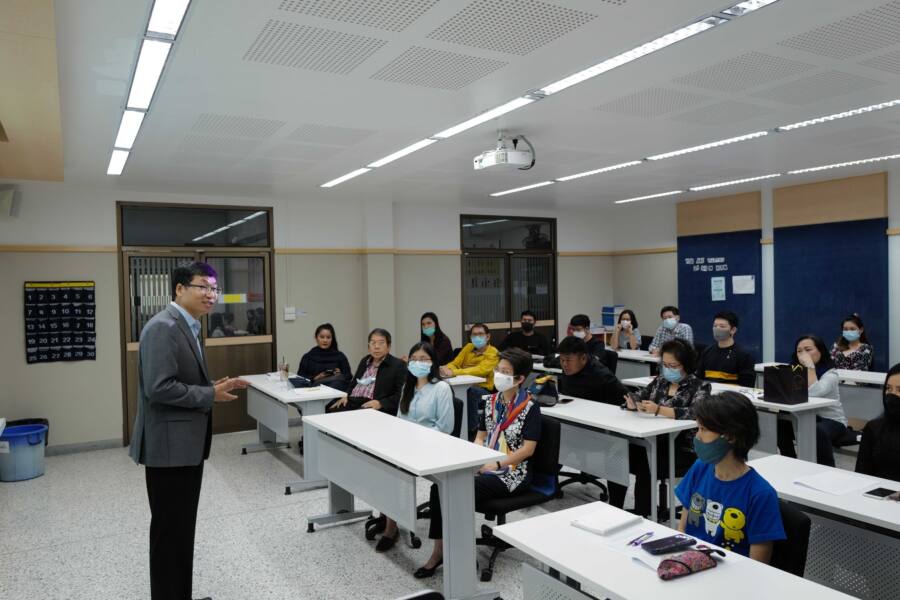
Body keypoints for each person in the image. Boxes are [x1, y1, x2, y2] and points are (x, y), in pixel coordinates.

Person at [128, 262, 248, 600]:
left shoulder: (188, 325)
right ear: (179, 289)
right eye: (203, 287)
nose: (211, 294)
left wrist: (211, 386)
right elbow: (159, 388)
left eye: (215, 288)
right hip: (169, 449)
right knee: (170, 534)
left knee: (181, 531)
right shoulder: (163, 327)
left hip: (184, 446)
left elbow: (179, 380)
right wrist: (209, 395)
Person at [415, 348, 541, 578]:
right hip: (485, 464)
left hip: (513, 472)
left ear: (520, 379)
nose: (499, 375)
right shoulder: (490, 401)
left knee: (460, 489)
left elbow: (527, 449)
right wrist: (475, 459)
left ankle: (462, 553)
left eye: (505, 372)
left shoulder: (530, 407)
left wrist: (497, 464)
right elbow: (481, 437)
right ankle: (440, 550)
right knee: (438, 486)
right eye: (498, 370)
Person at [676, 392, 785, 562]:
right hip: (692, 564)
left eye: (703, 429)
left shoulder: (760, 494)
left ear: (730, 436)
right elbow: (683, 531)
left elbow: (758, 566)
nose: (697, 436)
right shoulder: (700, 468)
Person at [608, 340, 710, 517]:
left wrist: (659, 410)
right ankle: (614, 510)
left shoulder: (700, 386)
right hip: (651, 440)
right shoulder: (660, 381)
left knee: (645, 463)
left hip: (680, 447)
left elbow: (696, 413)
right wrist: (633, 403)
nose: (668, 369)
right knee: (618, 455)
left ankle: (642, 514)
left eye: (673, 366)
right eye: (665, 365)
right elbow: (640, 395)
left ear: (686, 364)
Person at [376, 342, 455, 552]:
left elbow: (445, 428)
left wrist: (417, 442)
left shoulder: (441, 388)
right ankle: (390, 520)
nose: (418, 363)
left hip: (433, 447)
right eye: (414, 359)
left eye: (423, 359)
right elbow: (399, 420)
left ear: (433, 362)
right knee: (382, 463)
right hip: (408, 446)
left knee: (393, 467)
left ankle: (391, 525)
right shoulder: (407, 386)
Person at [776, 335, 848, 466]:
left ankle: (827, 469)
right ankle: (791, 461)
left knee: (816, 431)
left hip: (831, 420)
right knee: (778, 422)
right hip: (801, 417)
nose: (803, 354)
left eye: (808, 350)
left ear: (820, 351)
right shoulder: (794, 370)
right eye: (799, 351)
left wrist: (810, 367)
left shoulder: (830, 374)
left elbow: (814, 393)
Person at [440, 323, 499, 440]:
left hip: (484, 390)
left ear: (488, 337)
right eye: (474, 334)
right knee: (445, 389)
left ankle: (471, 431)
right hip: (463, 384)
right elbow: (455, 363)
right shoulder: (468, 347)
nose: (477, 337)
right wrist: (447, 368)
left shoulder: (493, 353)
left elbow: (481, 370)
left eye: (480, 334)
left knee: (470, 392)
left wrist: (454, 372)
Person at [327, 328, 405, 414]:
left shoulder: (398, 365)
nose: (376, 347)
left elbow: (401, 394)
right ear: (368, 347)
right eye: (373, 343)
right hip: (353, 400)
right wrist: (346, 395)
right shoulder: (365, 360)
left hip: (373, 403)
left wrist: (381, 403)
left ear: (389, 346)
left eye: (381, 343)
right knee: (330, 410)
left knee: (354, 417)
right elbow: (353, 383)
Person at [855, 363, 900, 482]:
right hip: (879, 492)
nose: (892, 394)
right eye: (888, 388)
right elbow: (861, 475)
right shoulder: (873, 428)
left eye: (899, 389)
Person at [556, 336, 627, 404]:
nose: (564, 364)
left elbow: (627, 398)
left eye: (568, 360)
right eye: (562, 360)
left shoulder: (602, 375)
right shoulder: (567, 366)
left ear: (583, 358)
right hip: (570, 408)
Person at [695, 311, 755, 388]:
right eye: (715, 326)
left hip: (732, 394)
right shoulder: (707, 351)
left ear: (733, 330)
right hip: (709, 393)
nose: (717, 329)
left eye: (722, 326)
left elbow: (747, 386)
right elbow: (699, 379)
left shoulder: (744, 355)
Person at [297, 323, 352, 392]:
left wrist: (340, 374)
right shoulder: (308, 357)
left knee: (338, 383)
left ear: (332, 339)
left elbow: (349, 376)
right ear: (316, 338)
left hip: (336, 389)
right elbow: (300, 378)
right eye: (322, 337)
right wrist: (317, 377)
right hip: (314, 391)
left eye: (328, 337)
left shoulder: (340, 356)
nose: (325, 340)